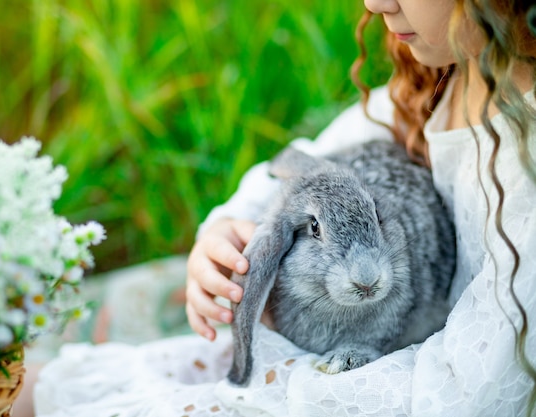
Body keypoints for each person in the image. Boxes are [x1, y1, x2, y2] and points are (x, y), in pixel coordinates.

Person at [34, 0, 536, 416]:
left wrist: (289, 382)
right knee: (66, 387)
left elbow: (466, 393)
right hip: (355, 337)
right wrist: (227, 233)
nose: (374, 3)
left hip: (413, 383)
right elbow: (306, 164)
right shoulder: (448, 77)